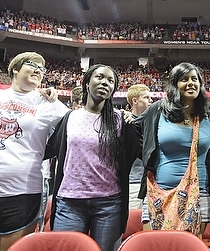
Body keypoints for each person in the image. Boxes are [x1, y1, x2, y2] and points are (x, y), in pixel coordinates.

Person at [0, 52, 68, 251]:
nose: (38, 70)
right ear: (15, 68)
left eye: (42, 69)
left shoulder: (48, 104)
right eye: (32, 65)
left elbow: (76, 128)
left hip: (22, 193)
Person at [45, 64, 140, 251]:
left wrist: (134, 120)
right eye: (100, 77)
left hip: (109, 203)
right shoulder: (69, 118)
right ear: (87, 84)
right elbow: (49, 150)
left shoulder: (120, 120)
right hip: (70, 201)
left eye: (111, 81)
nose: (105, 82)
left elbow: (141, 148)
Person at [134, 62, 210, 236]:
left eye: (195, 79)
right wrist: (147, 155)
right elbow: (134, 133)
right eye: (184, 79)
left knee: (191, 246)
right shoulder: (157, 110)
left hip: (198, 194)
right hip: (159, 193)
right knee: (155, 246)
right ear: (175, 84)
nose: (191, 83)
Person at [124, 84, 153, 210]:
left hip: (151, 183)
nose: (151, 100)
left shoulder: (153, 123)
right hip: (133, 183)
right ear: (135, 101)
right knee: (132, 224)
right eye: (146, 97)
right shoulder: (125, 122)